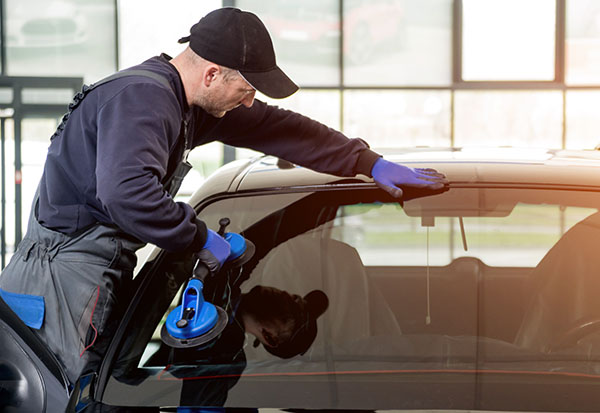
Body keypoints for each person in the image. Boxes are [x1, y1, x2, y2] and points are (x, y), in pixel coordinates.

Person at [0, 6, 447, 386]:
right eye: (247, 89)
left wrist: (366, 162)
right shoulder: (144, 98)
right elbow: (127, 194)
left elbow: (276, 128)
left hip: (89, 273)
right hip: (58, 282)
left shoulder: (187, 105)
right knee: (70, 396)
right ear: (213, 74)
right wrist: (200, 240)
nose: (250, 102)